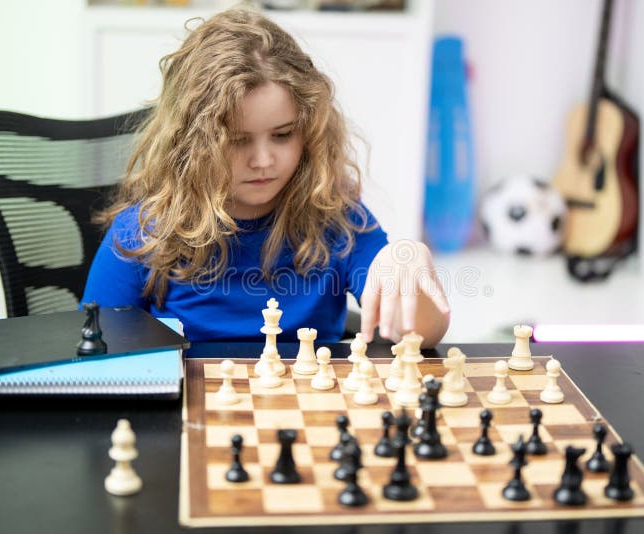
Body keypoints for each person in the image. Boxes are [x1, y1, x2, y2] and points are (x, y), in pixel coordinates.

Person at [82, 7, 449, 347]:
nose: (262, 161)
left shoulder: (338, 219)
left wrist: (411, 262)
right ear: (192, 145)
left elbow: (419, 335)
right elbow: (94, 345)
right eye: (238, 141)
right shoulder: (145, 231)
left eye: (283, 135)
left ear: (308, 129)